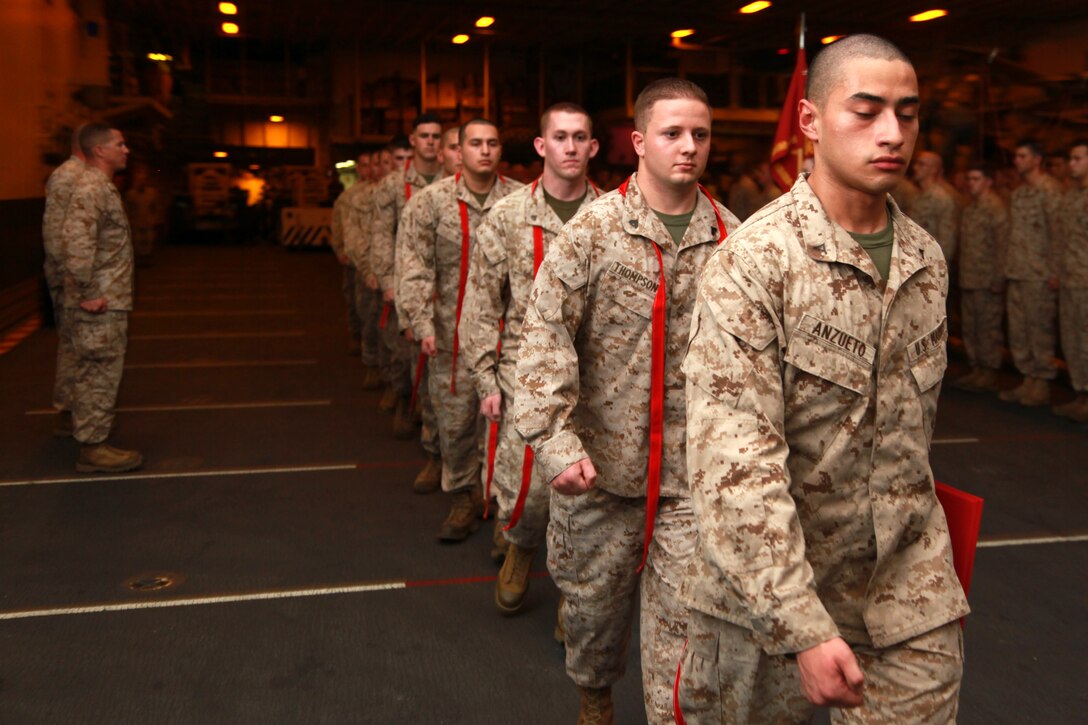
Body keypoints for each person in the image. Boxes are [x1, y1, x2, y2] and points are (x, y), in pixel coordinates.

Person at [675, 35, 969, 723]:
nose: (891, 133)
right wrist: (801, 623)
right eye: (865, 112)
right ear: (809, 122)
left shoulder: (925, 257)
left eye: (907, 112)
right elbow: (735, 462)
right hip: (766, 591)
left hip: (905, 588)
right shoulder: (752, 262)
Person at [514, 80, 739, 724]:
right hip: (601, 475)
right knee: (592, 616)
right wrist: (555, 444)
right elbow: (544, 338)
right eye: (672, 134)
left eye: (699, 134)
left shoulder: (734, 236)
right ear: (640, 142)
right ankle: (594, 697)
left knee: (687, 641)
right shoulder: (594, 230)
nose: (688, 147)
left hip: (691, 481)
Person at [458, 102, 602, 608]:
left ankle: (575, 602)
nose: (570, 147)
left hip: (596, 381)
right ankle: (520, 545)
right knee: (527, 488)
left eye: (579, 137)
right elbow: (481, 302)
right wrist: (485, 380)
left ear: (593, 147)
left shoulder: (611, 217)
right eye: (559, 137)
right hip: (528, 377)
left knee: (590, 495)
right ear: (541, 146)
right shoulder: (508, 216)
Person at [397, 119, 523, 540]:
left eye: (492, 143)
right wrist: (420, 321)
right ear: (459, 150)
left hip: (507, 338)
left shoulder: (520, 201)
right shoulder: (431, 203)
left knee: (509, 429)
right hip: (451, 337)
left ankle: (505, 515)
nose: (484, 150)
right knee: (455, 426)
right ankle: (464, 497)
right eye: (475, 143)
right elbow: (413, 264)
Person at [61, 123, 143, 473]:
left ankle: (92, 440)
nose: (125, 150)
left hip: (109, 297)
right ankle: (93, 448)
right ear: (99, 151)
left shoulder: (100, 187)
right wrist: (89, 292)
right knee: (99, 372)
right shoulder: (92, 187)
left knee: (98, 370)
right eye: (119, 144)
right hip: (100, 301)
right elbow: (76, 239)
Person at [370, 117, 446, 480]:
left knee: (440, 369)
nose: (431, 143)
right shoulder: (393, 185)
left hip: (448, 284)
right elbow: (383, 234)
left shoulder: (453, 179)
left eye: (437, 137)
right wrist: (388, 279)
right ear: (414, 140)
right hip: (409, 279)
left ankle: (441, 445)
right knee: (409, 354)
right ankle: (405, 400)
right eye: (425, 136)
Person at [999, 139, 1064, 407]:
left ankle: (1042, 383)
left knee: (1039, 330)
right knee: (1020, 329)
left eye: (1023, 156)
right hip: (1018, 270)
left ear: (1037, 160)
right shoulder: (1020, 193)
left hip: (1039, 272)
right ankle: (1028, 378)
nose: (1017, 161)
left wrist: (1055, 270)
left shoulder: (1050, 191)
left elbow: (1058, 234)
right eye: (1016, 156)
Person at [42, 127, 86, 438]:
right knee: (73, 345)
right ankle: (68, 410)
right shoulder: (69, 175)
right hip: (71, 278)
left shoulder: (85, 176)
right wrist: (73, 279)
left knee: (79, 345)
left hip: (76, 276)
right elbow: (57, 234)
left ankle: (78, 408)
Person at [952, 162, 1010, 392]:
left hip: (987, 279)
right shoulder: (970, 207)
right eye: (969, 179)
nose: (971, 184)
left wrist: (998, 277)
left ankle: (990, 370)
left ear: (988, 182)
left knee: (988, 326)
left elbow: (1002, 245)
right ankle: (976, 367)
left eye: (976, 179)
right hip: (970, 276)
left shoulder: (995, 208)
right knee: (971, 325)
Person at [1053, 140, 1088, 421]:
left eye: (1078, 158)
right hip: (1072, 278)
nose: (1072, 163)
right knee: (1074, 338)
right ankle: (1081, 394)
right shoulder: (1072, 196)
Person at [330, 153, 372, 359]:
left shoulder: (382, 190)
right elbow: (339, 224)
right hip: (353, 257)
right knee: (354, 300)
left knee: (369, 307)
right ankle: (356, 335)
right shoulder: (349, 197)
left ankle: (369, 346)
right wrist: (340, 249)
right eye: (364, 166)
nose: (368, 169)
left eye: (370, 165)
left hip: (373, 258)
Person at [907, 150, 958, 261]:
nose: (915, 168)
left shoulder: (941, 198)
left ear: (933, 169)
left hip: (931, 263)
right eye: (915, 164)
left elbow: (947, 240)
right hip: (915, 259)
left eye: (921, 164)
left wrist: (939, 267)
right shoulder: (917, 196)